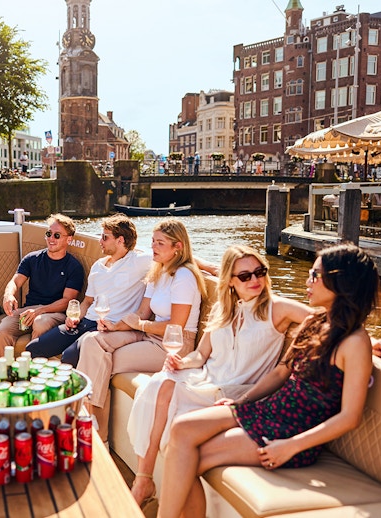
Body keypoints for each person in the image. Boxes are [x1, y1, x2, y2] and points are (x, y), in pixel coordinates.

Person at [158, 243, 380, 518]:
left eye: (315, 275)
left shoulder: (355, 342)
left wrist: (291, 446)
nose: (307, 281)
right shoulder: (315, 323)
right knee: (181, 429)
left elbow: (350, 417)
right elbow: (281, 372)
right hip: (270, 409)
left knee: (193, 458)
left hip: (292, 431)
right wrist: (241, 401)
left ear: (340, 282)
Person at [126, 245, 311, 506]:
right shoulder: (223, 309)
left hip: (238, 390)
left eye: (260, 272)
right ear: (230, 281)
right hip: (207, 378)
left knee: (167, 405)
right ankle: (144, 479)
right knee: (160, 382)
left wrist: (364, 344)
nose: (255, 280)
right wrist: (181, 362)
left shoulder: (277, 308)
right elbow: (200, 355)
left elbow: (324, 319)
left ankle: (144, 483)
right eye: (245, 276)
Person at [75, 218, 205, 441]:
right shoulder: (158, 271)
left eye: (160, 243)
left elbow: (175, 327)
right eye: (153, 241)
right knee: (91, 341)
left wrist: (140, 326)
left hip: (174, 345)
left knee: (101, 361)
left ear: (178, 247)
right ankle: (89, 417)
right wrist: (116, 326)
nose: (153, 246)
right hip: (150, 335)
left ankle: (94, 430)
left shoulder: (184, 277)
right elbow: (143, 312)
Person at [24, 214, 150, 366]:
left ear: (120, 240)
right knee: (32, 349)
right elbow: (88, 301)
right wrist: (75, 318)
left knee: (69, 357)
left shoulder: (138, 262)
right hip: (85, 322)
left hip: (109, 327)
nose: (100, 241)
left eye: (105, 237)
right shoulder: (98, 266)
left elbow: (167, 257)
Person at [0, 213, 85, 359]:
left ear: (69, 239)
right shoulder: (32, 259)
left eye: (57, 235)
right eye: (48, 233)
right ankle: (4, 370)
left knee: (40, 323)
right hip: (29, 313)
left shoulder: (74, 267)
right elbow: (15, 282)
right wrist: (8, 295)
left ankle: (32, 369)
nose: (51, 238)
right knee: (0, 333)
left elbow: (67, 301)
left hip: (53, 314)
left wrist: (40, 311)